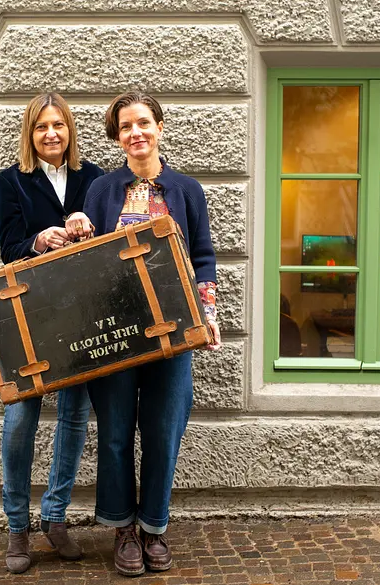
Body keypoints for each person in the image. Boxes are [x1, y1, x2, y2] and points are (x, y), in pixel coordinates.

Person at [67, 90, 222, 577]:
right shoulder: (101, 190)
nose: (135, 133)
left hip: (173, 330)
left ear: (159, 127)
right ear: (117, 138)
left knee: (163, 430)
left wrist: (207, 312)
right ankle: (123, 529)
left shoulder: (187, 190)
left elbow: (203, 257)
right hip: (114, 331)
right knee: (115, 433)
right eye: (125, 127)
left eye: (143, 123)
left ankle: (154, 527)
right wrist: (76, 226)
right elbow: (88, 259)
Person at [0, 92, 105, 574]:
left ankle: (55, 517)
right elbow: (8, 248)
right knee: (21, 420)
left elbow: (110, 240)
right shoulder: (9, 181)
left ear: (70, 130)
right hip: (28, 314)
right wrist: (38, 240)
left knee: (75, 417)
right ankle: (17, 526)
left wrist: (87, 225)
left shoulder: (94, 178)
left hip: (81, 311)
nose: (51, 133)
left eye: (58, 125)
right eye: (41, 126)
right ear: (30, 134)